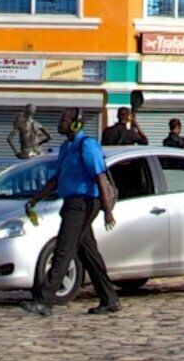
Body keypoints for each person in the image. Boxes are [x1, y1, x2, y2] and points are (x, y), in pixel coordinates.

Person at [29, 110, 119, 316]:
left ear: (75, 125)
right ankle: (110, 299)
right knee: (88, 253)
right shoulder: (66, 148)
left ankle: (44, 300)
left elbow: (100, 178)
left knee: (64, 249)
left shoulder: (86, 145)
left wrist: (107, 211)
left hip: (84, 204)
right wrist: (35, 199)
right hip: (71, 203)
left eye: (64, 120)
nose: (59, 123)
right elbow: (57, 178)